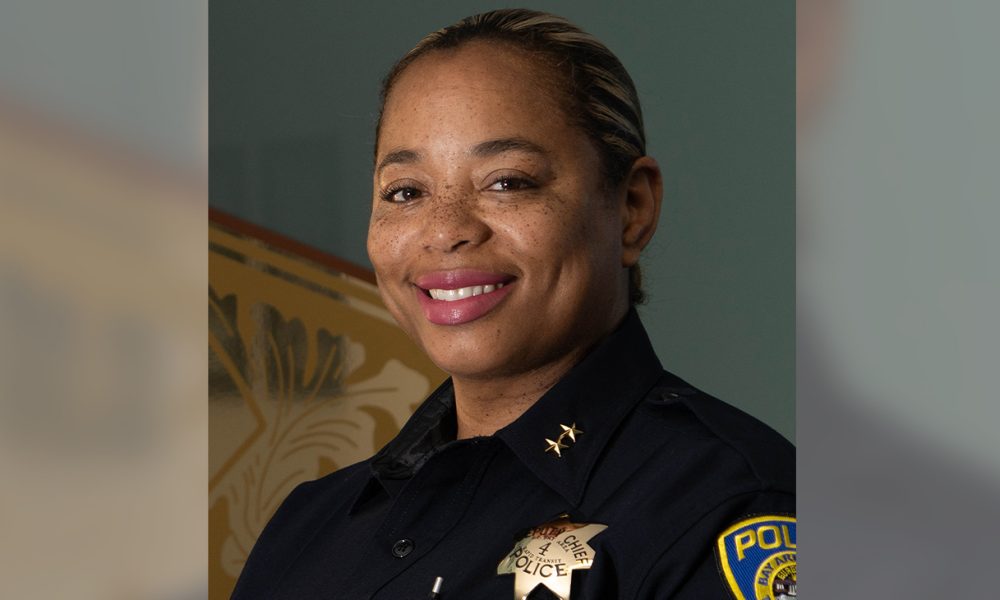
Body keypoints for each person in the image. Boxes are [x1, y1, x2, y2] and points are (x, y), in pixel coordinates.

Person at [231, 9, 794, 599]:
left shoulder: (730, 506)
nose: (445, 229)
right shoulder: (308, 526)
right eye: (406, 191)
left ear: (632, 209)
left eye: (507, 181)